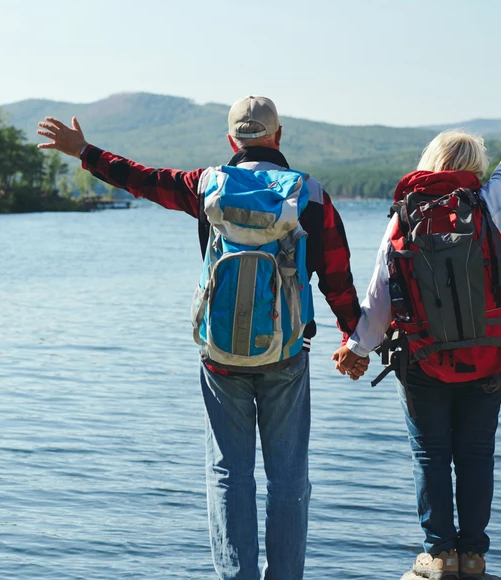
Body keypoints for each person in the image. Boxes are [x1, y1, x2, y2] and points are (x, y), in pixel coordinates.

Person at [37, 97, 363, 580]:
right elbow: (337, 276)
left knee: (229, 474)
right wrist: (355, 336)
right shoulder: (310, 195)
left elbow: (142, 179)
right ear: (278, 135)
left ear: (232, 140)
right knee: (288, 477)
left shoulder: (207, 184)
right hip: (286, 354)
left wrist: (85, 151)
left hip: (220, 355)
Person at [332, 47, 501, 580]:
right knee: (477, 454)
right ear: (475, 171)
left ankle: (439, 555)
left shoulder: (404, 217)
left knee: (431, 454)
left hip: (422, 360)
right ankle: (474, 556)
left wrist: (355, 348)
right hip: (487, 356)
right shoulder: (487, 204)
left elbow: (380, 294)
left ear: (430, 164)